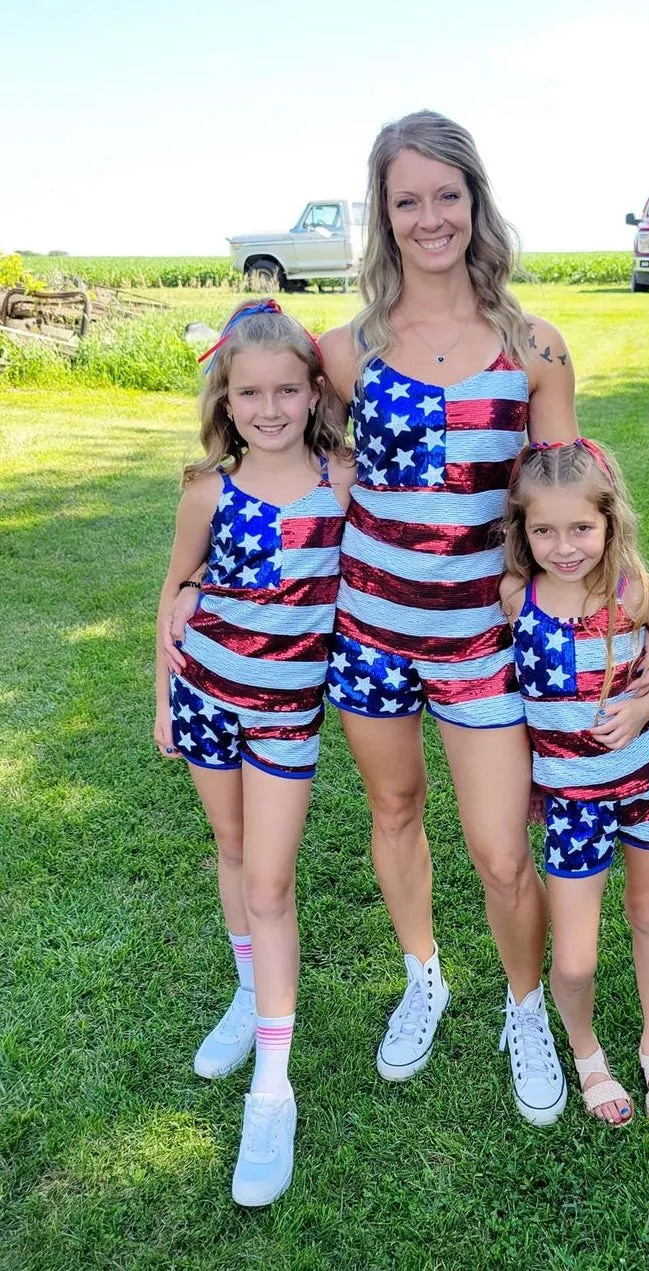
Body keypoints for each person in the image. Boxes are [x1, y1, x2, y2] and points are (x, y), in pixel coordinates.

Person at [315, 109, 580, 1126]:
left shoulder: (534, 346)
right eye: (407, 199)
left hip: (483, 639)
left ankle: (526, 1008)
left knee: (503, 849)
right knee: (392, 811)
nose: (430, 218)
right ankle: (423, 972)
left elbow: (561, 497)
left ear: (477, 201)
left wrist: (593, 617)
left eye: (447, 195)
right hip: (370, 630)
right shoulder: (341, 351)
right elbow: (292, 459)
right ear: (383, 214)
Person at [154, 300, 354, 1205]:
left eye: (285, 389)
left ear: (314, 392)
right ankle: (246, 991)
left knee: (271, 880)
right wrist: (164, 696)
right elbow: (173, 596)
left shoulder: (343, 484)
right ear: (225, 399)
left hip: (284, 715)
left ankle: (272, 1092)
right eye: (248, 392)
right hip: (205, 697)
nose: (267, 407)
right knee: (231, 854)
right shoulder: (206, 488)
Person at [500, 438, 649, 1128]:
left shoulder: (637, 591)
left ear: (610, 522)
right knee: (577, 958)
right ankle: (586, 1053)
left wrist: (645, 705)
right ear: (521, 530)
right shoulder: (513, 598)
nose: (563, 546)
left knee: (648, 912)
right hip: (572, 800)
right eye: (543, 529)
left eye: (581, 527)